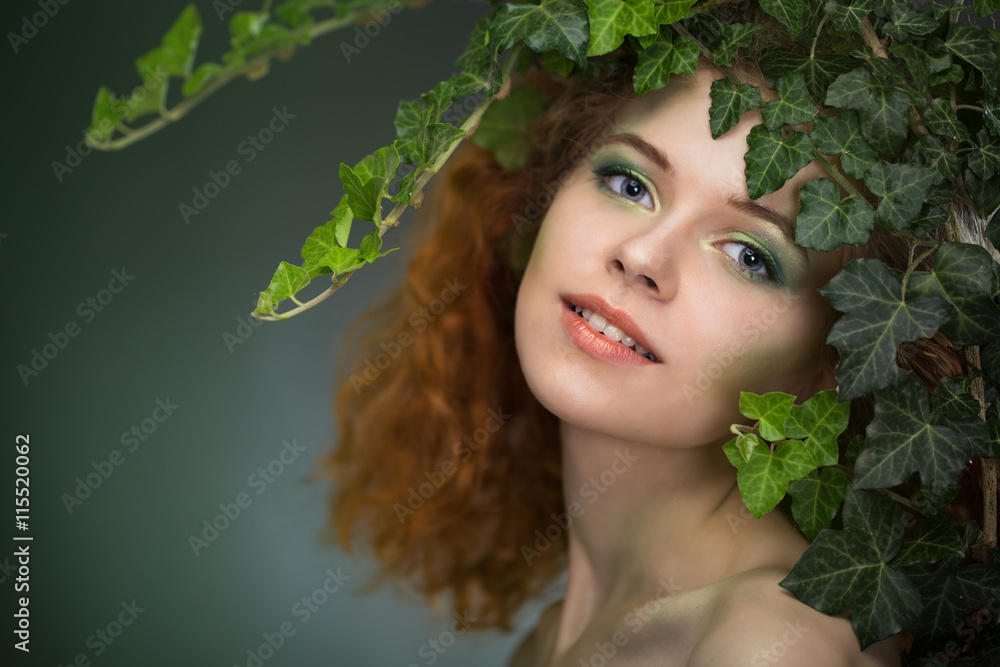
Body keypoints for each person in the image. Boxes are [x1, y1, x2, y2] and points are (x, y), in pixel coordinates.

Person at [319, 7, 988, 666]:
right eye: (628, 182)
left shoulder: (772, 647)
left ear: (834, 362)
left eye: (751, 255)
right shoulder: (557, 638)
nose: (641, 256)